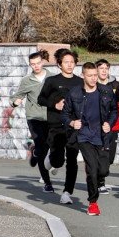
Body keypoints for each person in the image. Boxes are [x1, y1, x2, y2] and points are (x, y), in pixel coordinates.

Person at [63, 62, 119, 216]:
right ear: (83, 76)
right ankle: (93, 203)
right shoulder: (74, 93)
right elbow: (65, 114)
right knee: (92, 169)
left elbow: (114, 110)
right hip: (83, 136)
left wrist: (109, 123)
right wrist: (72, 122)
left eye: (95, 75)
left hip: (102, 136)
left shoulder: (106, 91)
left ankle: (96, 179)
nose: (94, 78)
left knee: (103, 170)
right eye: (90, 75)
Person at [38, 48, 85, 205]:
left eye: (72, 62)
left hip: (73, 126)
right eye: (66, 62)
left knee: (72, 159)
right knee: (58, 161)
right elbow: (41, 99)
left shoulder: (80, 82)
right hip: (56, 125)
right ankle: (51, 157)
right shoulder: (52, 81)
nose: (70, 65)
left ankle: (67, 192)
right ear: (59, 64)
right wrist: (55, 104)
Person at [13, 50, 53, 191]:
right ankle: (47, 183)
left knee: (48, 146)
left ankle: (35, 151)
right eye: (33, 64)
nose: (36, 66)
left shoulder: (52, 78)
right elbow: (16, 96)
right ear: (30, 65)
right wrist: (15, 102)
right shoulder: (26, 81)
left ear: (42, 62)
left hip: (50, 117)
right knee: (42, 148)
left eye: (38, 63)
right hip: (34, 118)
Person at [96, 59, 119, 184]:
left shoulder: (116, 85)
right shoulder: (92, 84)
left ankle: (102, 174)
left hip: (113, 125)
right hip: (96, 127)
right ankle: (99, 181)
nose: (104, 71)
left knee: (110, 156)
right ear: (96, 70)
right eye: (101, 68)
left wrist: (112, 118)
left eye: (106, 68)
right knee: (99, 153)